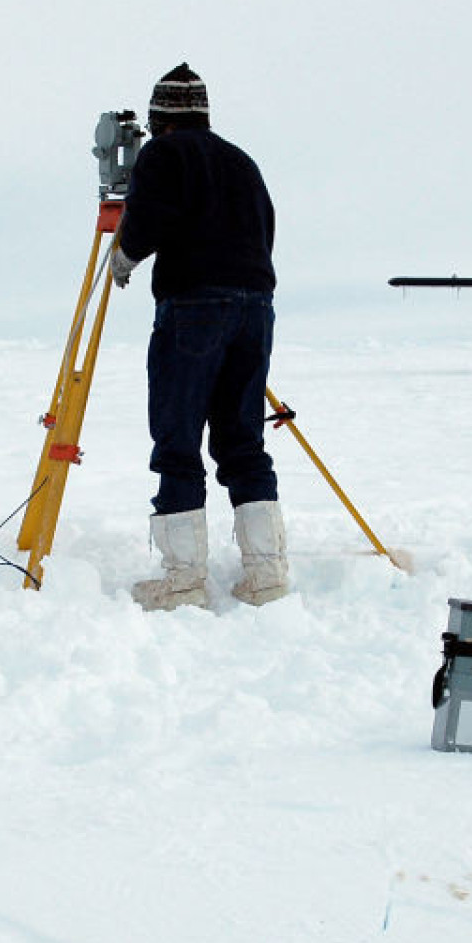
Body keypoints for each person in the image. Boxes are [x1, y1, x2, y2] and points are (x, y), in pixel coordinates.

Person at [109, 63, 288, 610]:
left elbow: (150, 217)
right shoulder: (241, 161)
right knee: (242, 441)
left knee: (178, 439)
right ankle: (267, 577)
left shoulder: (164, 156)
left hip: (193, 308)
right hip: (255, 308)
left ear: (160, 119)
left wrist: (123, 254)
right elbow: (267, 228)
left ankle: (183, 583)